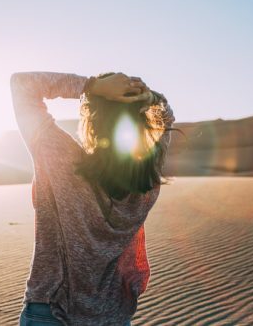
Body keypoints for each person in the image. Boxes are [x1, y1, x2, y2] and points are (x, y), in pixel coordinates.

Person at [10, 71, 177, 326]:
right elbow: (166, 119)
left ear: (90, 119)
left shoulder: (60, 158)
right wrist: (148, 95)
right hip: (113, 318)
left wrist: (92, 86)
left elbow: (22, 85)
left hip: (52, 313)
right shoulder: (147, 184)